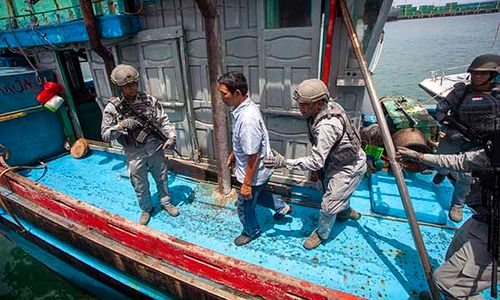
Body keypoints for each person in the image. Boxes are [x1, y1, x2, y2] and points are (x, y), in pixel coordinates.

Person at [263, 79, 366, 250]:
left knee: (329, 203)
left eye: (305, 105)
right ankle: (345, 211)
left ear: (319, 103)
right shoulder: (325, 106)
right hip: (335, 162)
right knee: (326, 189)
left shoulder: (327, 125)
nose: (301, 109)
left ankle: (322, 233)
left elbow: (316, 160)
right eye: (300, 104)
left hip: (349, 167)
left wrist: (284, 162)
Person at [397, 144, 498, 300]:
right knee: (451, 258)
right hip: (481, 219)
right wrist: (420, 157)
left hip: (495, 239)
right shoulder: (496, 149)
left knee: (445, 282)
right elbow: (464, 161)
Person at [218, 71, 293, 246]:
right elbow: (246, 144)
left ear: (237, 93)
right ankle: (283, 207)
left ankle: (252, 231)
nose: (222, 97)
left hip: (253, 174)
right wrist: (234, 155)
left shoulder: (247, 119)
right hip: (260, 172)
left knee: (244, 207)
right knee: (261, 195)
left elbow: (253, 154)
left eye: (224, 94)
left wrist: (246, 184)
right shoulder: (244, 107)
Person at [101, 64, 179, 226]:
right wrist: (121, 126)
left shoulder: (149, 100)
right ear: (120, 87)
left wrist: (171, 136)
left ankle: (166, 202)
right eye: (128, 86)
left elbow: (163, 120)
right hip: (134, 152)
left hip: (155, 148)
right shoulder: (113, 107)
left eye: (135, 83)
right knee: (139, 183)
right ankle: (146, 208)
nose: (133, 88)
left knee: (162, 178)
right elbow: (105, 135)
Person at [433, 54, 500, 222]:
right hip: (454, 136)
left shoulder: (497, 96)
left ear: (493, 75)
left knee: (465, 176)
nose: (477, 77)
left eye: (483, 74)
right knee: (439, 159)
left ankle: (457, 205)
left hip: (481, 142)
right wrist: (449, 130)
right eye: (475, 73)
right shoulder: (460, 93)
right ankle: (443, 172)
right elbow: (440, 111)